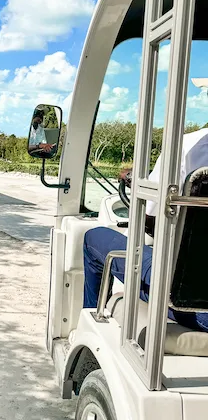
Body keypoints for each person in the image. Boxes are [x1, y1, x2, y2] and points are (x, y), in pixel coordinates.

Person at [83, 127, 208, 332]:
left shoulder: (187, 146)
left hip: (197, 305)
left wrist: (136, 183)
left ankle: (87, 327)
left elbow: (151, 217)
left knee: (93, 238)